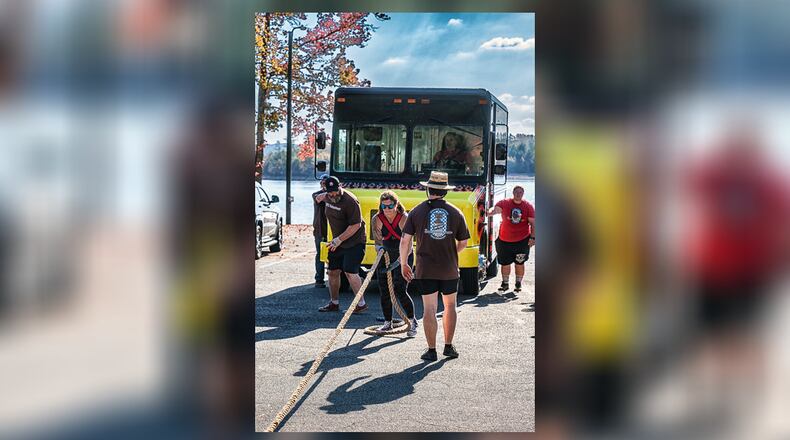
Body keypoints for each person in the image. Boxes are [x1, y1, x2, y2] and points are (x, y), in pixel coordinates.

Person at [400, 171, 470, 361]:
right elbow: (463, 242)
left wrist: (404, 263)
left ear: (428, 189)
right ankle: (448, 346)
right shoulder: (456, 212)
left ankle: (431, 350)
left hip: (425, 268)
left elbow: (405, 241)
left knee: (429, 308)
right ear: (445, 192)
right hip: (449, 269)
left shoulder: (416, 211)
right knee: (450, 306)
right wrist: (452, 252)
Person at [315, 176, 369, 313]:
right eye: (330, 192)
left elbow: (356, 225)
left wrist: (339, 240)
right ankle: (334, 303)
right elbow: (318, 197)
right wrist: (321, 196)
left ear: (340, 187)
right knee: (332, 272)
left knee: (350, 271)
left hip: (354, 241)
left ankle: (361, 304)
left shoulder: (350, 200)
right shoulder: (326, 196)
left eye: (336, 191)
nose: (334, 194)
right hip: (336, 242)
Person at [372, 190, 418, 337]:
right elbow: (378, 241)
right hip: (385, 255)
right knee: (384, 289)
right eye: (384, 206)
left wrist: (401, 261)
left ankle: (412, 321)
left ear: (396, 204)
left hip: (404, 256)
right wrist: (379, 250)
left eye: (390, 206)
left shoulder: (404, 218)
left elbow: (409, 244)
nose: (387, 209)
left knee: (399, 288)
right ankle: (387, 322)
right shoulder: (377, 219)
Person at [488, 185, 535, 293]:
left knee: (519, 262)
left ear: (523, 194)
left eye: (520, 192)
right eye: (516, 192)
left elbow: (533, 224)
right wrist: (490, 211)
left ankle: (518, 284)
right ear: (513, 193)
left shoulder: (528, 206)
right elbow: (495, 210)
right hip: (504, 240)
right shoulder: (505, 203)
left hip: (522, 241)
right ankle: (505, 283)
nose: (518, 194)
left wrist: (533, 238)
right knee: (505, 263)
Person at [311, 175, 330, 288]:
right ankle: (319, 279)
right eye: (323, 183)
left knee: (335, 255)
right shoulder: (316, 194)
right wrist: (333, 191)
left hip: (334, 230)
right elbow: (319, 198)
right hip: (320, 230)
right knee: (320, 255)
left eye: (327, 183)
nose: (324, 185)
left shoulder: (336, 196)